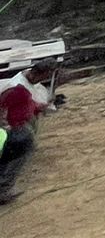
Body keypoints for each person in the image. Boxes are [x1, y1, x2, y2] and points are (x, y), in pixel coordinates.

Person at [0, 66, 53, 205]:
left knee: (13, 157)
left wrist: (40, 107)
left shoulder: (23, 87)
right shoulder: (16, 87)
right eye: (42, 77)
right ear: (36, 73)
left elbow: (29, 104)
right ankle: (3, 189)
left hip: (18, 126)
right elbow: (2, 107)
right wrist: (6, 126)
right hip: (13, 128)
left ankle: (4, 188)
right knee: (13, 157)